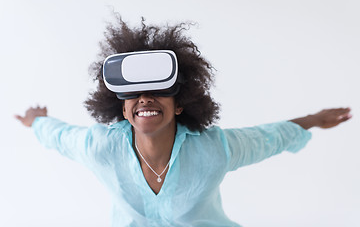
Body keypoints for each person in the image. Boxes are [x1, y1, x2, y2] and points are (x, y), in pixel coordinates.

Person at [15, 17, 352, 227]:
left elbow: (266, 138)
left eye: (158, 91)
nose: (144, 99)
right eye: (133, 94)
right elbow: (60, 137)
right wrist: (36, 121)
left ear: (180, 104)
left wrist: (313, 119)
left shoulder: (214, 150)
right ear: (122, 109)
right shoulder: (100, 147)